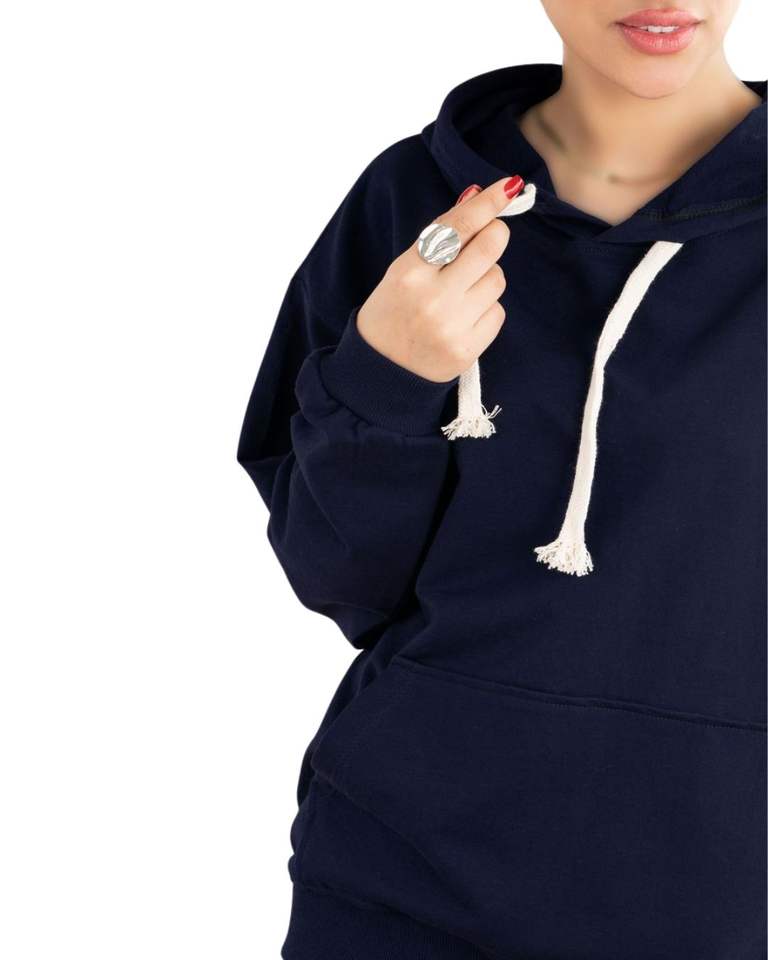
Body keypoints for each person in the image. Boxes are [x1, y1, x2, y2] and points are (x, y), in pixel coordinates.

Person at [237, 2, 767, 957]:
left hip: (729, 902)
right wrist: (387, 373)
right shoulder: (411, 200)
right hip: (402, 884)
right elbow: (339, 576)